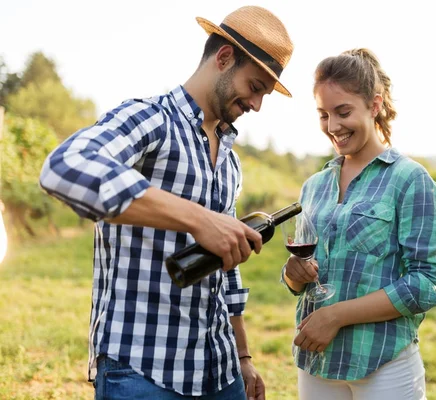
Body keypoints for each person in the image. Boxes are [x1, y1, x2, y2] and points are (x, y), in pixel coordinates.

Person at [39, 6, 294, 400]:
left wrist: (242, 356)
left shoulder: (230, 158)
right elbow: (65, 166)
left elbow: (227, 265)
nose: (257, 104)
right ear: (224, 57)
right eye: (255, 86)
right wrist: (197, 220)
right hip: (143, 369)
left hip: (219, 369)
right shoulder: (150, 118)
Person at [281, 48, 436, 400]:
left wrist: (337, 316)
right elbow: (305, 276)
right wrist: (293, 275)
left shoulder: (409, 180)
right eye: (323, 115)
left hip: (383, 364)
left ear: (374, 105)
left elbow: (428, 283)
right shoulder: (314, 186)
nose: (333, 127)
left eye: (343, 112)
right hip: (317, 362)